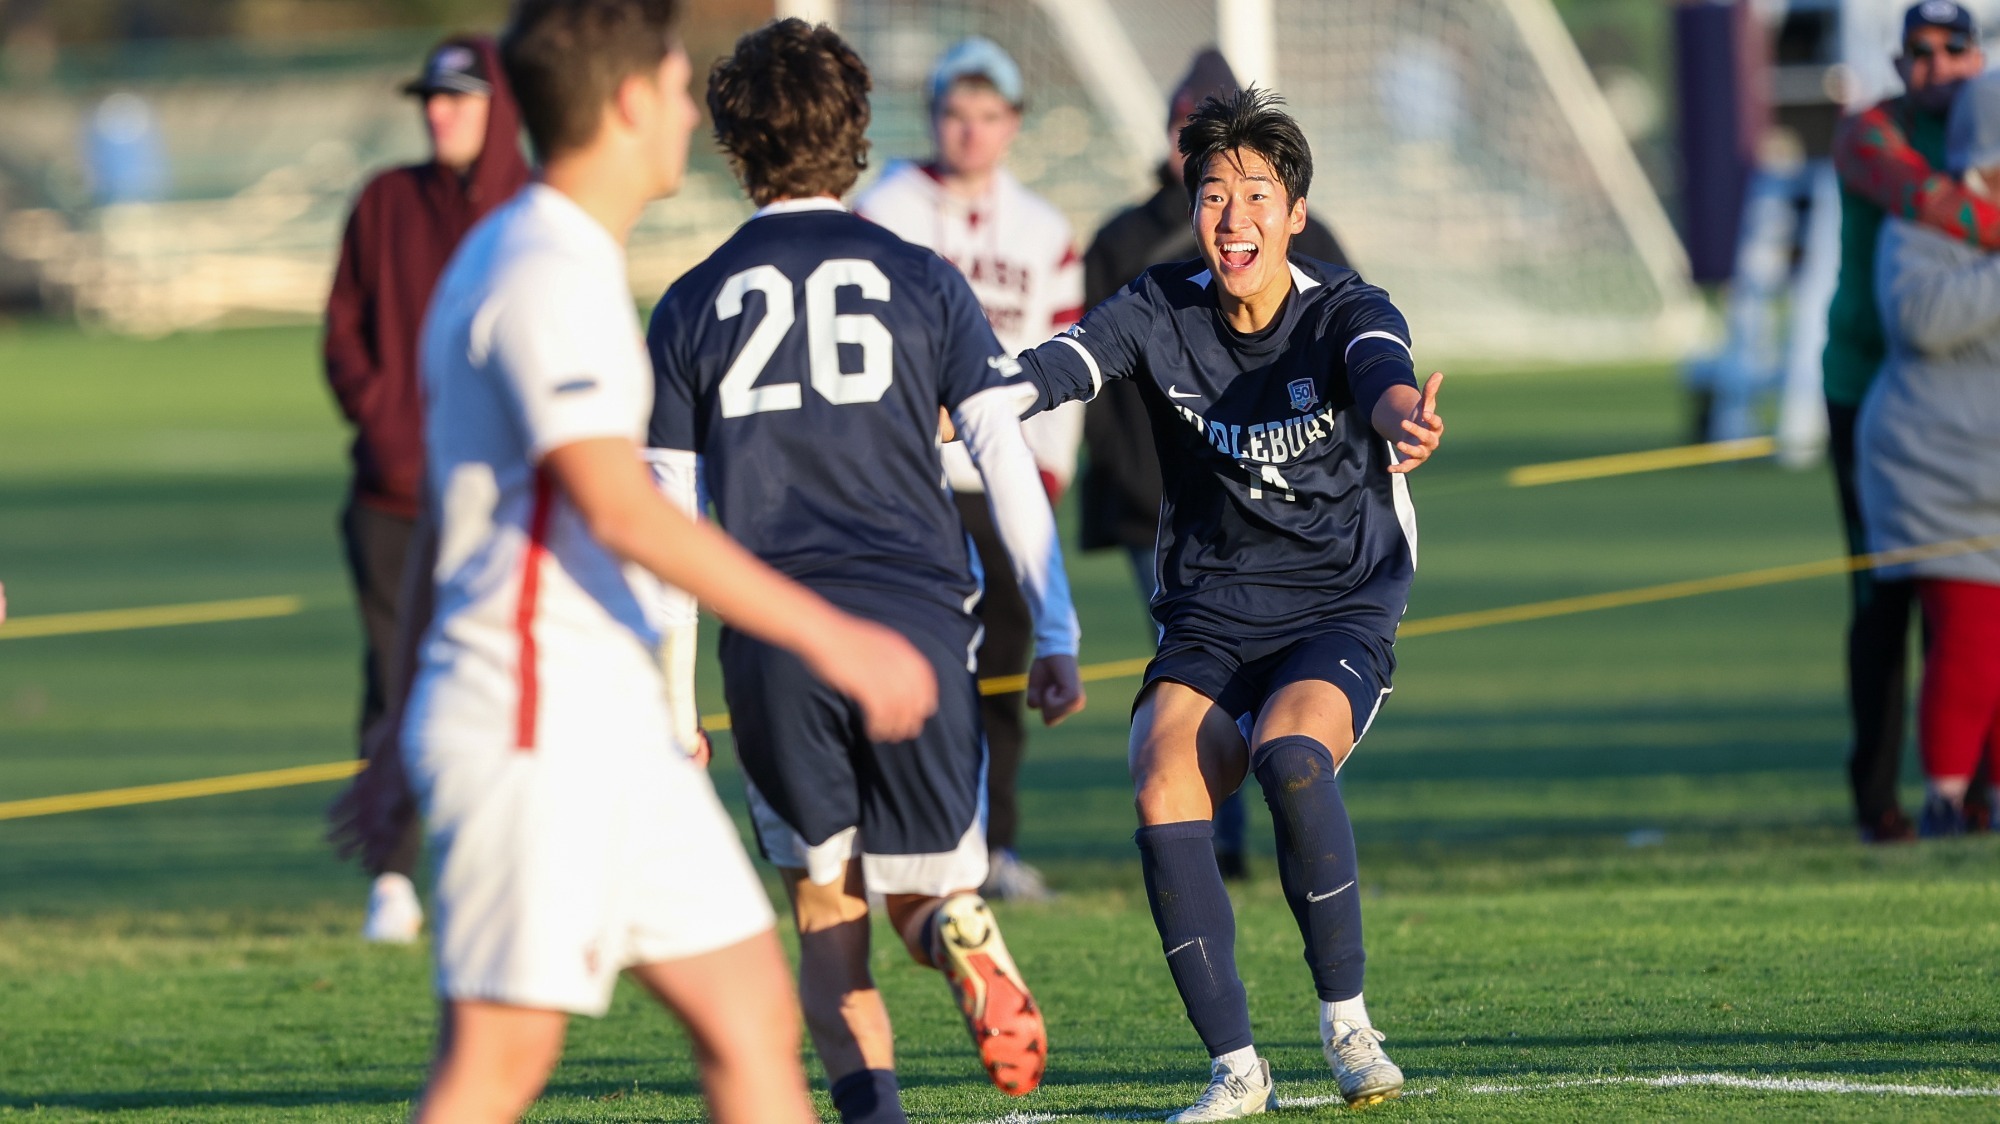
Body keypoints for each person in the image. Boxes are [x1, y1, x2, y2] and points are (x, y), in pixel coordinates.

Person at [399, 2, 940, 1120]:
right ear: (632, 100)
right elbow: (623, 507)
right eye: (676, 81)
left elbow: (436, 527)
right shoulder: (548, 265)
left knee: (751, 1015)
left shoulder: (549, 251)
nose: (693, 110)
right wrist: (832, 633)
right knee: (496, 1065)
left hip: (609, 725)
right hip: (530, 719)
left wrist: (378, 738)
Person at [646, 20, 1086, 1120]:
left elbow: (666, 523)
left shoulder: (689, 303)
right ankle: (956, 930)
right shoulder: (926, 281)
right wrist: (1060, 626)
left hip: (776, 639)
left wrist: (671, 700)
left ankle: (875, 1108)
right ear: (857, 134)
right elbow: (1003, 454)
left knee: (826, 910)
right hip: (917, 626)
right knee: (926, 887)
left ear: (733, 145)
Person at [1009, 88, 1444, 1118]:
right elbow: (1065, 362)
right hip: (1207, 610)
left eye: (1257, 193)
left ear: (1295, 213)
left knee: (1291, 757)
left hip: (1338, 598)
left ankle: (1346, 1024)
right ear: (1190, 202)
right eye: (1214, 192)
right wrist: (967, 398)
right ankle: (1235, 1066)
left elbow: (1380, 371)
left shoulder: (1344, 305)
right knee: (1161, 780)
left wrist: (1399, 418)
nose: (1234, 214)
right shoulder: (1158, 304)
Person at [1080, 47, 1350, 882]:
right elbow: (1096, 378)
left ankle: (1276, 831)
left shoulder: (1314, 242)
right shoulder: (1125, 245)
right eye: (1186, 127)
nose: (1234, 216)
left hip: (1286, 513)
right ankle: (1210, 838)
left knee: (1288, 700)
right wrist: (1144, 491)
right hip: (1161, 510)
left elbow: (1357, 351)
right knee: (1195, 677)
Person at [852, 36, 1085, 901]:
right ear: (935, 116)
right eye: (956, 113)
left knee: (1004, 674)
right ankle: (899, 847)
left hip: (1007, 480)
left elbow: (1067, 356)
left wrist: (1045, 475)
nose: (972, 133)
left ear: (1014, 123)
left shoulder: (1045, 231)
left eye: (989, 116)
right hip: (910, 481)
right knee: (907, 667)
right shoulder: (886, 208)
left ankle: (995, 848)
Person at [322, 32, 531, 939]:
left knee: (508, 679)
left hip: (503, 501)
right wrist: (389, 424)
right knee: (392, 678)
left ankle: (508, 870)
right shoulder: (384, 202)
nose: (438, 113)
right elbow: (343, 331)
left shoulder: (533, 210)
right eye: (430, 99)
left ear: (499, 108)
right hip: (394, 497)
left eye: (458, 97)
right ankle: (394, 875)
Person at [1825, 0, 1999, 842]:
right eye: (1917, 53)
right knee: (1884, 604)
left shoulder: (1983, 132)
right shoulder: (1872, 135)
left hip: (1970, 412)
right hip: (1866, 388)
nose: (1933, 67)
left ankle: (1968, 788)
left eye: (1952, 51)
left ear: (1978, 58)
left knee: (1970, 609)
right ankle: (1877, 797)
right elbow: (1930, 202)